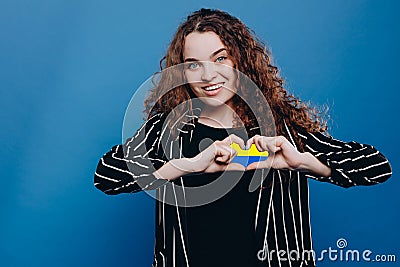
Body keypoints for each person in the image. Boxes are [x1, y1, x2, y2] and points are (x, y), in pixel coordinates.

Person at [94, 8, 392, 267]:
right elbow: (106, 175)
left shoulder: (282, 127)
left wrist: (302, 162)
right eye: (194, 64)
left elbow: (376, 166)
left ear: (241, 61)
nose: (208, 75)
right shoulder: (169, 128)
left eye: (220, 58)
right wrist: (187, 166)